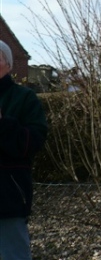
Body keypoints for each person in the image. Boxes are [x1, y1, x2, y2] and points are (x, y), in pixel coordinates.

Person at [0, 40, 48, 260]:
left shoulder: (24, 98)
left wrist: (3, 124)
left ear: (8, 64)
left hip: (7, 198)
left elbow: (33, 142)